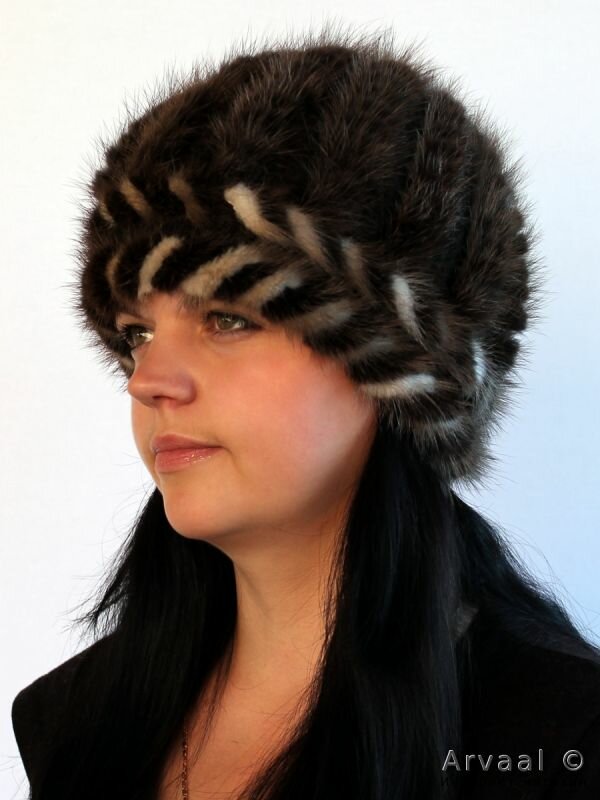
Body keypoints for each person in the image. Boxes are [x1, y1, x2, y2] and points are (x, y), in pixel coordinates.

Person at [11, 22, 600, 800]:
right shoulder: (71, 721)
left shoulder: (559, 738)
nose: (146, 380)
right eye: (136, 333)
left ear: (405, 375)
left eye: (228, 317)